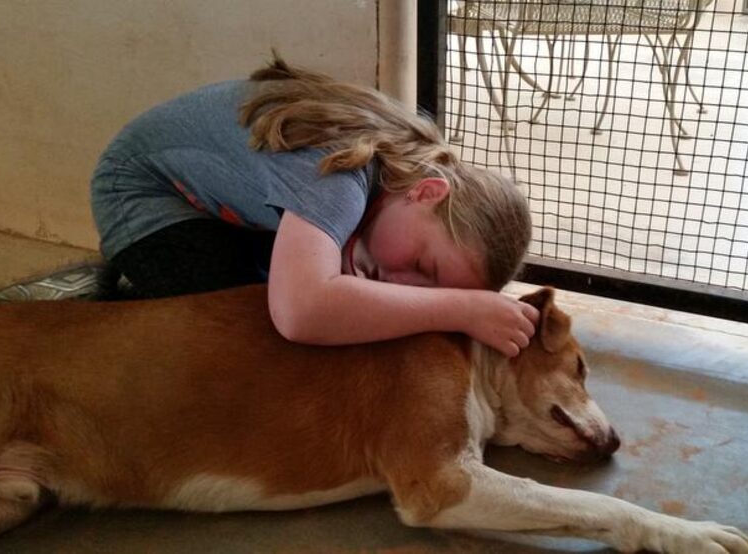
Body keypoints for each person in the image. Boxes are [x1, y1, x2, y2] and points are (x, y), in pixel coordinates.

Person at [91, 56, 539, 357]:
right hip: (144, 196)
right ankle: (132, 289)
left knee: (340, 305)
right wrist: (459, 310)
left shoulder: (406, 164)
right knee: (258, 338)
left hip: (224, 204)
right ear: (427, 193)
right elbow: (301, 312)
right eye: (424, 264)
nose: (406, 284)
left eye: (432, 290)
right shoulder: (341, 175)